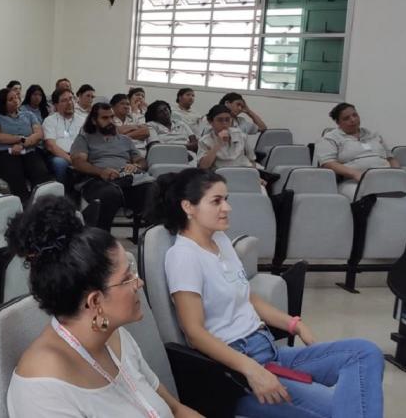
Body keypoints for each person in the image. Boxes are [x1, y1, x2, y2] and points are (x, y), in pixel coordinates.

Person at [154, 168, 384, 418]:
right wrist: (253, 371)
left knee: (365, 353)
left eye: (226, 199)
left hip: (269, 351)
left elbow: (247, 297)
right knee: (341, 410)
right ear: (188, 206)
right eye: (216, 201)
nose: (227, 208)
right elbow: (194, 333)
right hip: (237, 373)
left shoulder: (219, 240)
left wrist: (294, 324)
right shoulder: (183, 257)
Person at [5, 196, 199, 418]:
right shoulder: (42, 388)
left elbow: (175, 409)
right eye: (128, 277)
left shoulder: (116, 338)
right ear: (95, 302)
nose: (139, 283)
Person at [71, 103, 154, 231]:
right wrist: (101, 172)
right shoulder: (84, 138)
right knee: (110, 193)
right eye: (105, 118)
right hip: (97, 181)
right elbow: (78, 162)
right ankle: (101, 238)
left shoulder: (125, 140)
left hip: (127, 181)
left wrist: (136, 166)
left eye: (111, 117)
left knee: (154, 188)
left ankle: (150, 234)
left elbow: (141, 161)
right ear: (94, 120)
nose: (110, 121)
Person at [315, 102, 401, 200]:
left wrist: (397, 174)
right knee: (371, 199)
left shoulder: (373, 135)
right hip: (353, 181)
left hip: (386, 178)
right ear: (338, 123)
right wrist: (355, 174)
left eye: (355, 115)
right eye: (346, 118)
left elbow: (391, 158)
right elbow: (328, 163)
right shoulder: (330, 138)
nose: (352, 120)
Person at [0, 88, 52, 201]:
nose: (16, 100)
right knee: (16, 175)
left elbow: (39, 134)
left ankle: (40, 204)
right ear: (2, 103)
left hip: (27, 150)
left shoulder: (28, 115)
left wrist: (23, 144)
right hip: (3, 154)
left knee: (41, 173)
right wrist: (20, 138)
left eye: (16, 97)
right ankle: (24, 206)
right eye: (11, 99)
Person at [197, 104, 257, 171]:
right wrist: (218, 144)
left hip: (243, 171)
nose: (224, 124)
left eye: (227, 120)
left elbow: (252, 160)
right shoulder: (204, 141)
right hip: (220, 175)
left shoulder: (241, 135)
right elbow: (203, 167)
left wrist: (256, 176)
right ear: (211, 122)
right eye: (220, 120)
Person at [42, 88, 83, 183]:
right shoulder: (50, 120)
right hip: (58, 155)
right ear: (56, 105)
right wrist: (71, 160)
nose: (69, 103)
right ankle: (64, 193)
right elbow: (51, 146)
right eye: (64, 100)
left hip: (80, 155)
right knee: (59, 163)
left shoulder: (83, 120)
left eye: (71, 98)